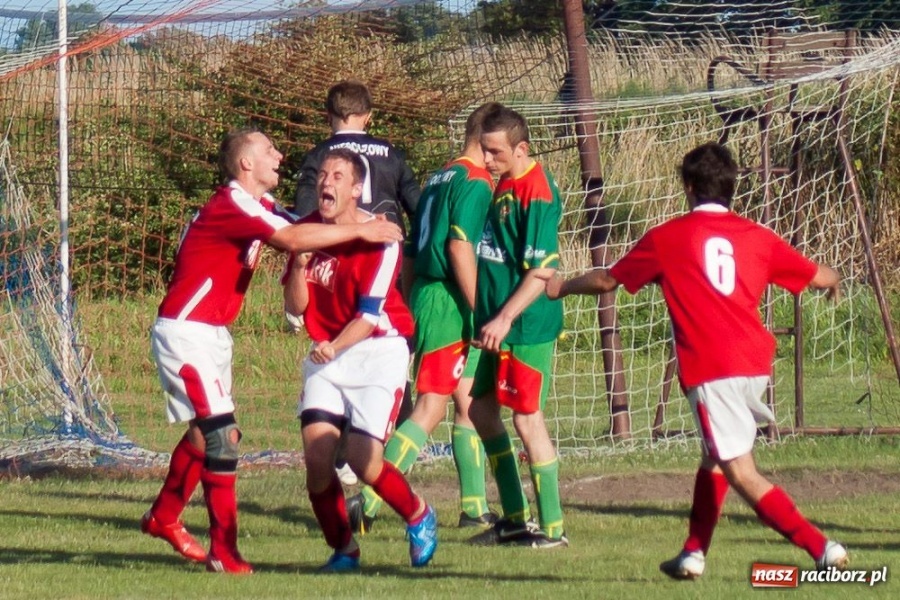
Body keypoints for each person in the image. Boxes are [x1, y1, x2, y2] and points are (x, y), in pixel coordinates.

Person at [545, 141, 848, 579]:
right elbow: (817, 275)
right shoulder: (757, 236)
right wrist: (834, 279)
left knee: (741, 472)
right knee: (714, 456)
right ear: (731, 187)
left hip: (712, 368)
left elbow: (608, 280)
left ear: (688, 186)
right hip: (754, 364)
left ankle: (822, 548)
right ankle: (693, 552)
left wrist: (562, 287)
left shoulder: (669, 237)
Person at [142, 128, 402, 575]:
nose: (279, 155)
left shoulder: (258, 205)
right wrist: (365, 229)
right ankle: (225, 551)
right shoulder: (234, 203)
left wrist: (359, 221)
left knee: (205, 436)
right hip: (186, 332)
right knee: (223, 437)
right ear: (246, 164)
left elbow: (305, 227)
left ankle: (164, 517)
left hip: (212, 334)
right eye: (269, 149)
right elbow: (294, 239)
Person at [345, 102, 501, 534]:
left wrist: (412, 301)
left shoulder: (439, 176)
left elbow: (412, 247)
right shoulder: (475, 181)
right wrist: (483, 309)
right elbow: (460, 247)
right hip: (453, 299)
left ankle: (474, 507)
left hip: (429, 294)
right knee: (431, 406)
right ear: (485, 139)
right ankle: (368, 500)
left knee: (469, 401)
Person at [283, 148, 437, 572]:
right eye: (322, 174)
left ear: (356, 190)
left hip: (377, 351)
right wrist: (297, 267)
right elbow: (295, 308)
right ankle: (344, 549)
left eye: (337, 176)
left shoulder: (382, 237)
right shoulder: (306, 231)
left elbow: (369, 318)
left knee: (363, 460)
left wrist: (335, 347)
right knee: (317, 460)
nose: (325, 182)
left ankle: (418, 513)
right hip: (328, 352)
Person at [294, 79, 421, 457]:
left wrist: (306, 253)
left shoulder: (320, 156)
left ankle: (362, 441)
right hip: (385, 257)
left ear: (328, 115)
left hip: (345, 259)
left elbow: (304, 218)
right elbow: (416, 204)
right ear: (368, 115)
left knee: (366, 330)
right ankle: (386, 433)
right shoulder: (391, 153)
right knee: (379, 330)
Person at [466, 104, 568, 549]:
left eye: (496, 152)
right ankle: (513, 518)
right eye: (484, 150)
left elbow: (543, 271)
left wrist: (505, 317)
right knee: (480, 410)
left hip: (524, 327)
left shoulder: (537, 192)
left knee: (527, 419)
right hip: (495, 324)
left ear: (521, 148)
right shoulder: (505, 182)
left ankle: (553, 529)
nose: (487, 159)